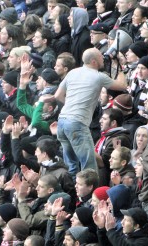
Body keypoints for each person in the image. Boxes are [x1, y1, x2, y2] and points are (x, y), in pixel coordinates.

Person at [50, 48, 127, 178]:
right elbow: (122, 85)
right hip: (77, 124)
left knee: (72, 166)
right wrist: (120, 67)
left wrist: (71, 105)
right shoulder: (98, 76)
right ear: (93, 61)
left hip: (62, 121)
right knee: (89, 168)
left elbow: (58, 95)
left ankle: (75, 195)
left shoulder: (73, 72)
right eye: (101, 58)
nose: (103, 58)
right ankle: (90, 197)